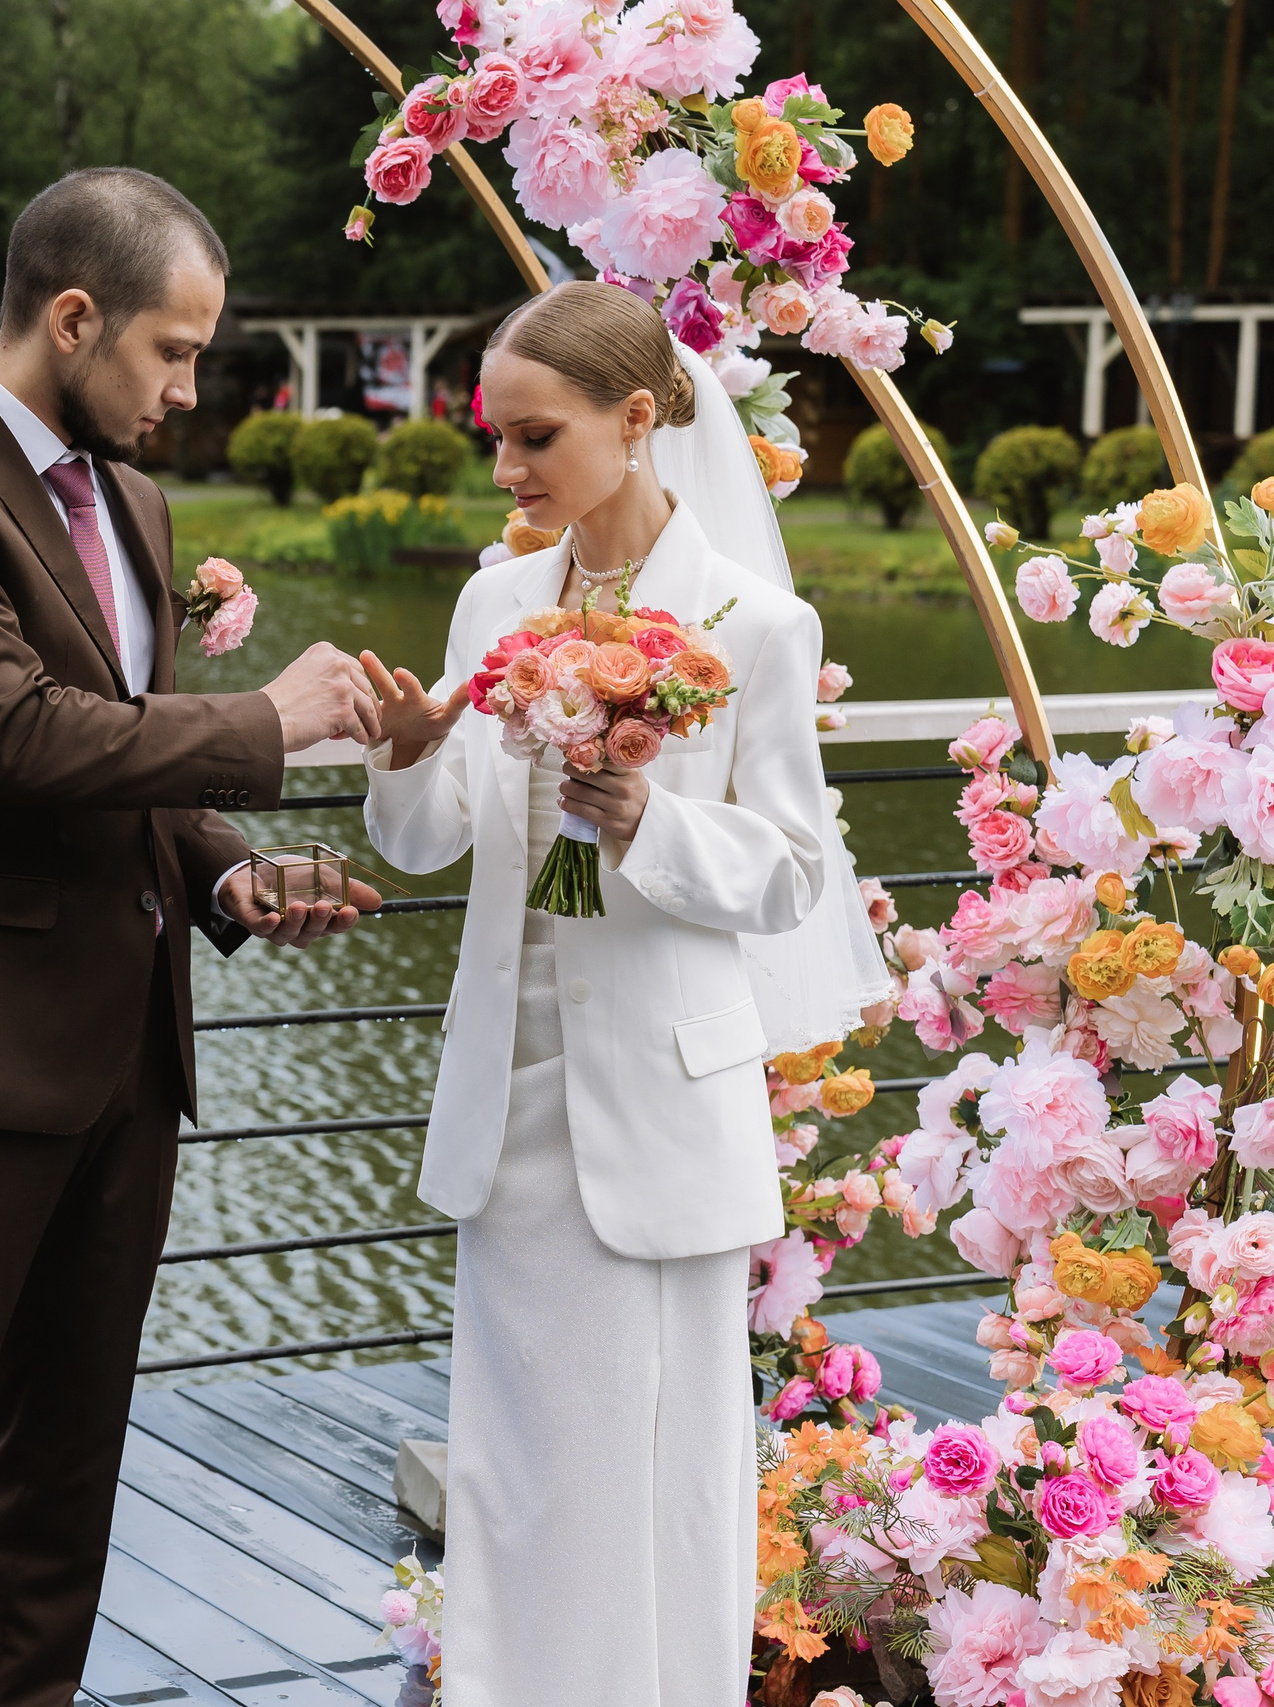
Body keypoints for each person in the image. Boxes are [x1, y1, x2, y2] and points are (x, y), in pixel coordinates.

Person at [0, 166, 385, 1706]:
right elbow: (12, 739)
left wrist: (230, 877)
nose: (187, 389)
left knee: (64, 1477)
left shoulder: (133, 500)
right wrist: (269, 719)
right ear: (73, 318)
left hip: (128, 1064)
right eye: (172, 351)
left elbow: (127, 760)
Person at [358, 281, 888, 1705]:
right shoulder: (494, 601)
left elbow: (792, 874)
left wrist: (653, 821)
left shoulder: (754, 623)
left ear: (638, 417)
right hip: (509, 1092)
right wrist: (405, 754)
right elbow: (427, 840)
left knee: (665, 1473)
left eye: (535, 436)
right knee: (515, 1469)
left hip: (661, 1096)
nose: (507, 469)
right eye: (496, 436)